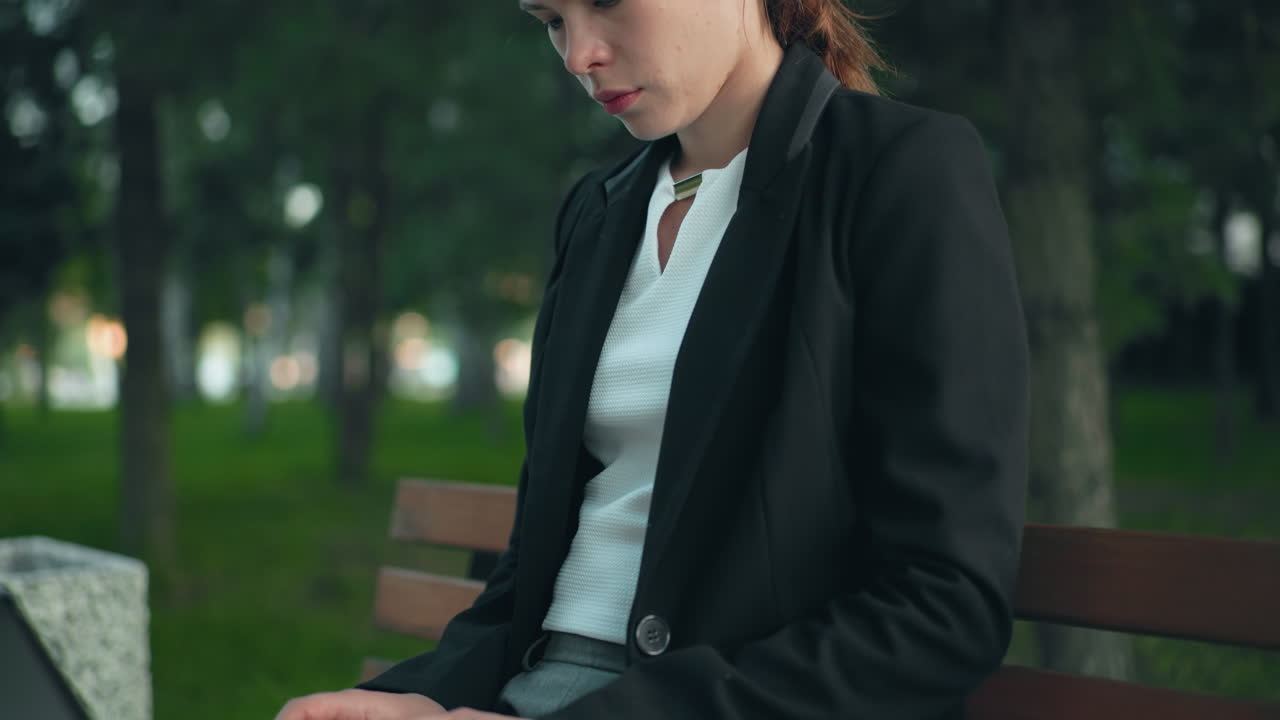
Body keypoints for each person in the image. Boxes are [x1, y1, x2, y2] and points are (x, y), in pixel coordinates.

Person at [275, 0, 1028, 718]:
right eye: (552, 21)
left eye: (607, 3)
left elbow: (945, 604)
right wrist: (429, 696)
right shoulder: (599, 211)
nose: (578, 56)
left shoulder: (898, 169)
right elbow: (530, 569)